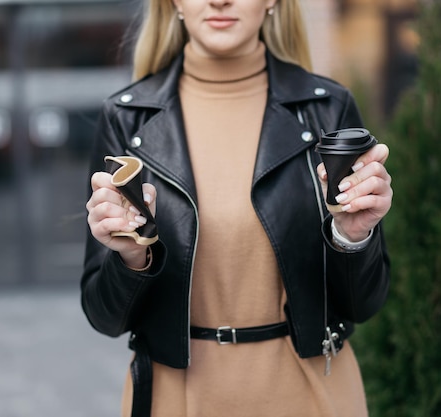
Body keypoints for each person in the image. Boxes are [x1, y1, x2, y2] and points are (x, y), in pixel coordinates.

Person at [81, 0, 392, 416]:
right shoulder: (126, 118)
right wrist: (132, 258)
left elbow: (363, 304)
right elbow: (105, 317)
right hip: (176, 399)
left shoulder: (327, 109)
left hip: (311, 393)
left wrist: (351, 238)